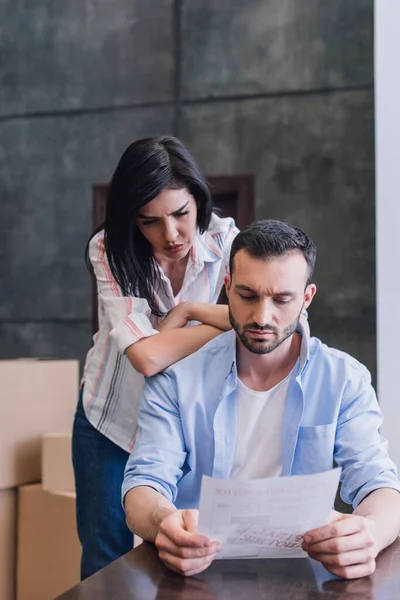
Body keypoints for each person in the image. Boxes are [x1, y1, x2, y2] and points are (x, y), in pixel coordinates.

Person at [123, 220, 400, 580]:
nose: (261, 317)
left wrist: (372, 533)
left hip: (304, 573)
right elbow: (143, 485)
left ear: (306, 298)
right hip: (194, 569)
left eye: (282, 299)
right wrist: (164, 522)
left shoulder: (344, 380)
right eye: (247, 296)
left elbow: (380, 484)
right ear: (227, 289)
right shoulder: (177, 378)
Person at [72, 136, 241, 579]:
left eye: (181, 215)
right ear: (132, 219)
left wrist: (185, 313)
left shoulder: (227, 243)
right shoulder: (109, 250)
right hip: (109, 423)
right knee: (103, 562)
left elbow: (260, 318)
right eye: (150, 221)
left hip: (181, 428)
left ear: (199, 201)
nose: (170, 235)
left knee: (187, 552)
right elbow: (146, 360)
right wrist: (221, 320)